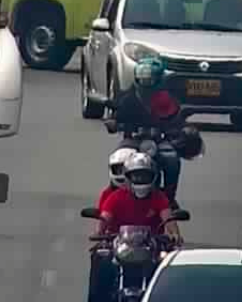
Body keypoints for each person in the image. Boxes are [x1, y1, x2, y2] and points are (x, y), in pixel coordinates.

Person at [88, 154, 183, 302]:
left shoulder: (159, 197)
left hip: (151, 248)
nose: (140, 179)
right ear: (127, 177)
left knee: (167, 268)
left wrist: (174, 234)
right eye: (136, 176)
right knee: (101, 260)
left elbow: (168, 219)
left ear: (153, 177)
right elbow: (105, 218)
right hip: (120, 246)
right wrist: (99, 232)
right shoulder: (116, 197)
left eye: (144, 175)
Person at [108, 57, 185, 206]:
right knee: (118, 159)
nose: (146, 83)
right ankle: (113, 195)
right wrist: (113, 123)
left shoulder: (168, 98)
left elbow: (177, 118)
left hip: (159, 140)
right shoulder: (128, 97)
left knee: (172, 159)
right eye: (142, 79)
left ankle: (169, 198)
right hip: (133, 140)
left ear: (159, 79)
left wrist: (180, 130)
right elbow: (116, 116)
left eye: (149, 79)